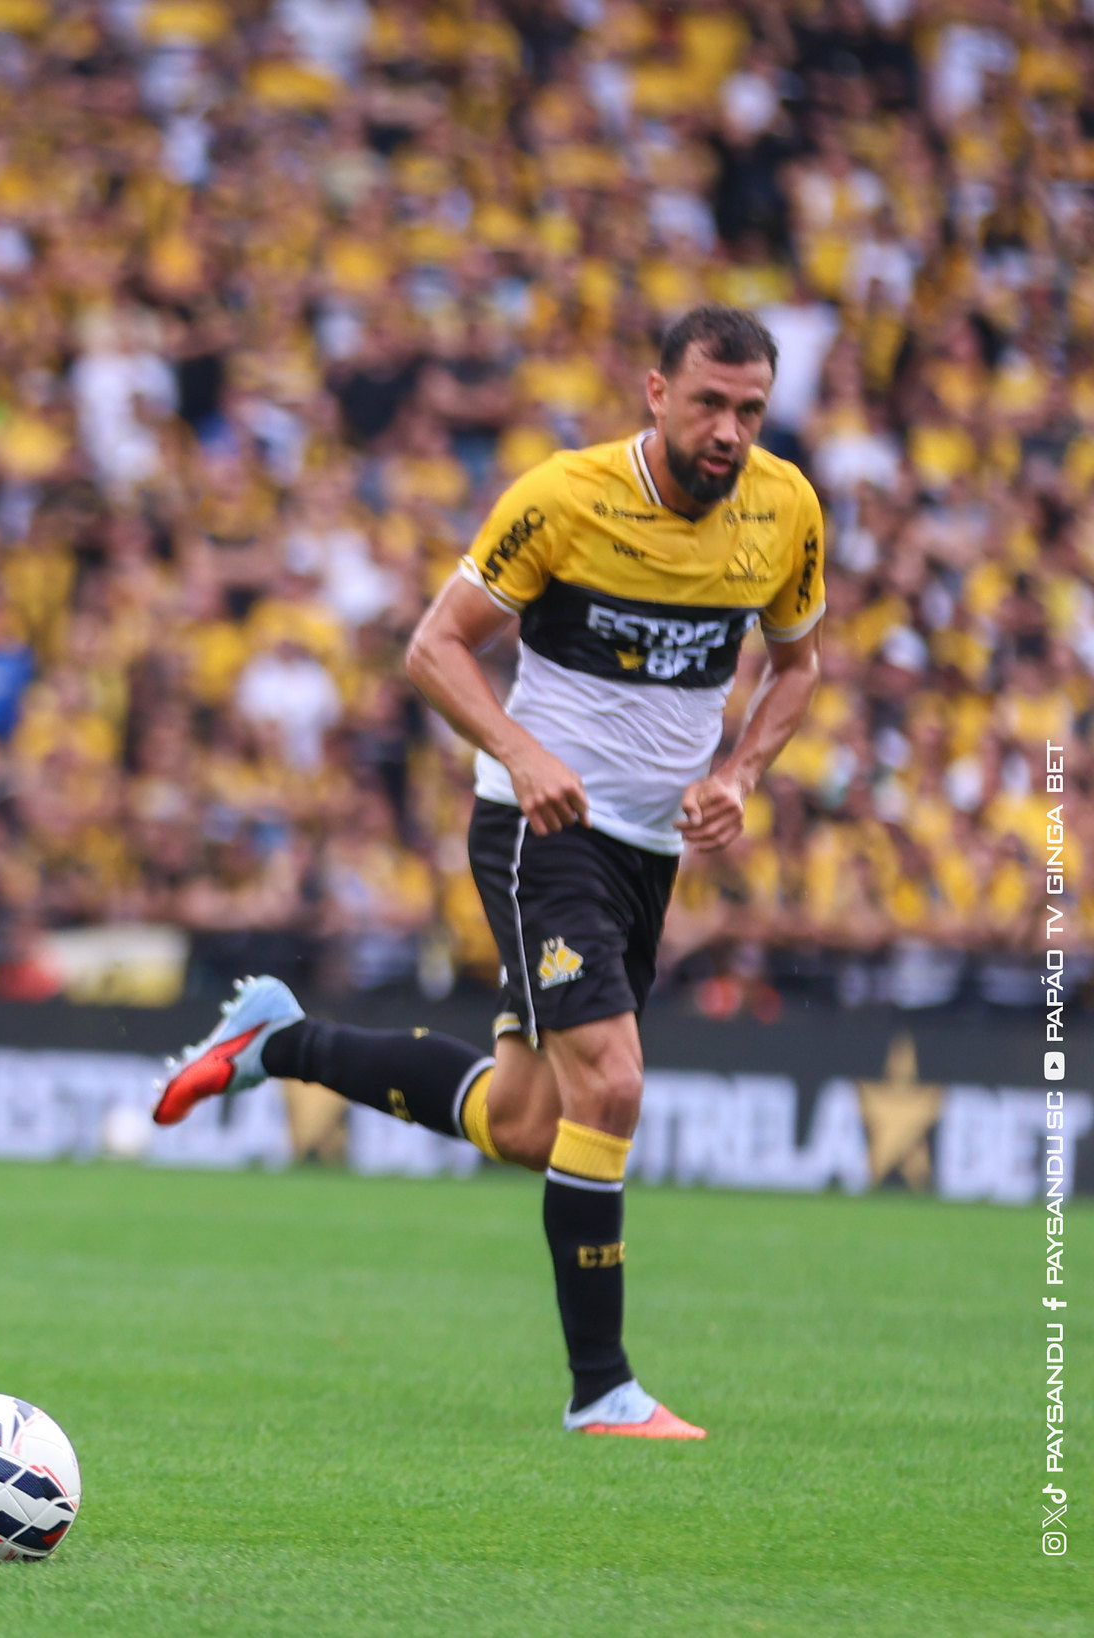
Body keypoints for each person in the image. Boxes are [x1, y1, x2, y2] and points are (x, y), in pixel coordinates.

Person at [154, 305, 824, 1441]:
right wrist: (520, 751)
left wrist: (743, 769)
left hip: (648, 852)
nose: (727, 431)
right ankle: (600, 1388)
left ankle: (277, 1042)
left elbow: (800, 661)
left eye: (748, 411)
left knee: (526, 1124)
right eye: (707, 403)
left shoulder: (782, 506)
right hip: (538, 827)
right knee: (609, 1086)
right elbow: (432, 645)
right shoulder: (562, 497)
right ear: (653, 392)